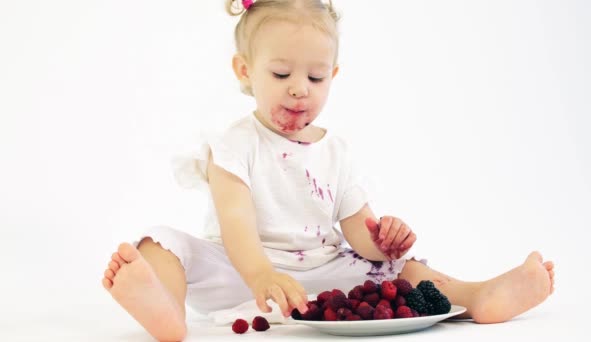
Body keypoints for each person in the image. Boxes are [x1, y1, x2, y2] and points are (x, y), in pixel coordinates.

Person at [101, 1, 555, 341]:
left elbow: (358, 229)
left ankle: (473, 296)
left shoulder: (337, 150)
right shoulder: (235, 143)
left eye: (315, 78)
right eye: (281, 74)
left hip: (323, 274)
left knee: (401, 266)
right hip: (240, 270)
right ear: (245, 71)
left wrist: (384, 238)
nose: (299, 90)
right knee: (162, 242)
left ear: (333, 76)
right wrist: (260, 275)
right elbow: (235, 221)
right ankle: (165, 307)